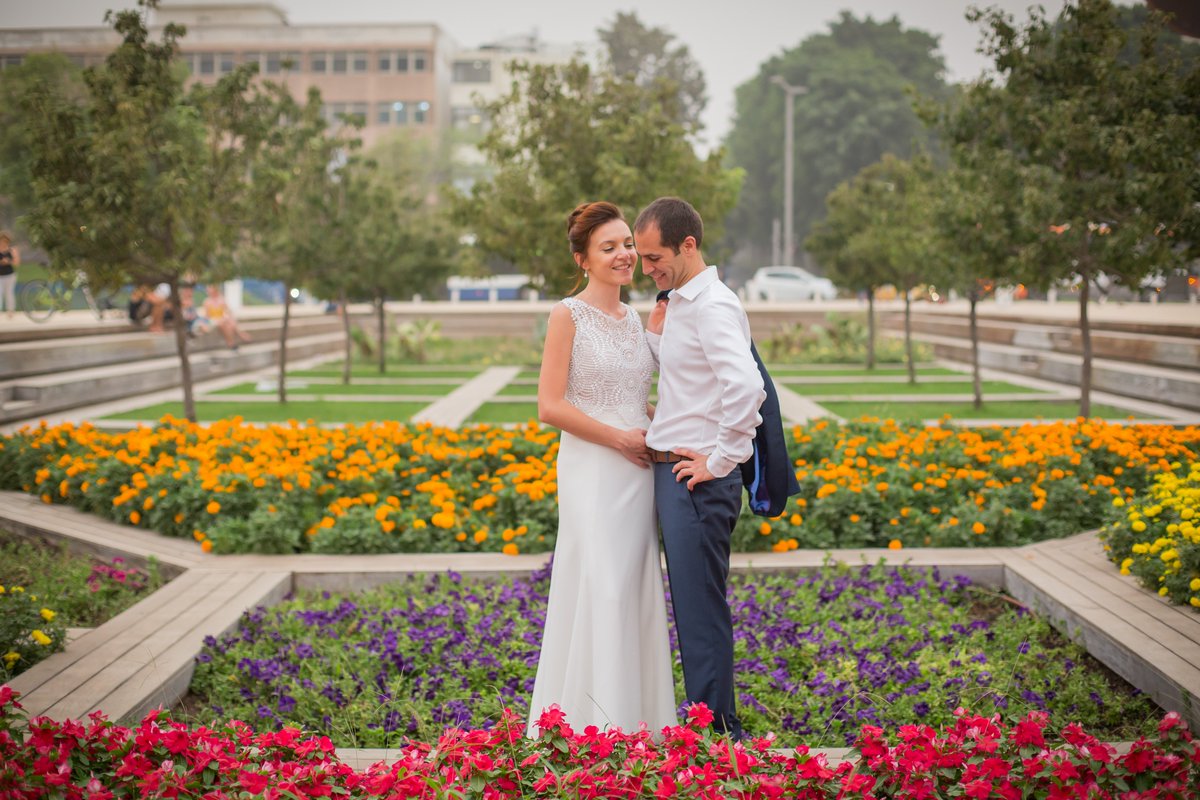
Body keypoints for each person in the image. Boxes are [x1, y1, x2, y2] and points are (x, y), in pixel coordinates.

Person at [526, 201, 677, 738]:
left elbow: (638, 398)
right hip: (594, 468)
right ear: (583, 259)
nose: (624, 255)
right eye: (609, 247)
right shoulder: (567, 314)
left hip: (639, 474)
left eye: (626, 245)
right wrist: (618, 438)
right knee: (603, 586)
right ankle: (594, 729)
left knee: (634, 587)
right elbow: (550, 406)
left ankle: (639, 727)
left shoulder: (633, 317)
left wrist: (663, 429)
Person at [634, 196, 765, 741]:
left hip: (695, 481)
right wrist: (659, 337)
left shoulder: (710, 304)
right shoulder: (683, 303)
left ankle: (718, 735)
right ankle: (710, 728)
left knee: (698, 609)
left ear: (688, 245)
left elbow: (746, 388)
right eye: (641, 257)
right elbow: (696, 382)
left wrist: (718, 460)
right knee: (692, 607)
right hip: (674, 475)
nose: (646, 268)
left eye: (654, 255)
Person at [202, 283, 251, 350]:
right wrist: (205, 324)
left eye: (210, 288)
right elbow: (207, 316)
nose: (208, 290)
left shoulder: (221, 299)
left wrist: (226, 317)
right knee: (225, 322)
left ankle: (231, 342)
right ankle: (238, 338)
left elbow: (228, 312)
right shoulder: (207, 302)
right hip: (213, 320)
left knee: (228, 321)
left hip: (222, 320)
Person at [0, 231, 19, 320]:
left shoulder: (12, 250)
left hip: (10, 275)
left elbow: (17, 263)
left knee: (9, 293)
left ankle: (10, 311)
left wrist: (8, 261)